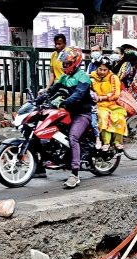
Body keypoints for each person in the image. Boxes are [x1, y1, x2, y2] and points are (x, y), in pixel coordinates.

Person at [39, 47, 94, 188]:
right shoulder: (64, 77)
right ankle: (40, 166)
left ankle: (75, 174)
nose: (64, 66)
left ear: (75, 63)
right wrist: (39, 99)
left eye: (67, 63)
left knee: (73, 137)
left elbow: (77, 95)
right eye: (63, 63)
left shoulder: (83, 77)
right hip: (68, 112)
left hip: (83, 114)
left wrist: (64, 102)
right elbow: (52, 90)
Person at [90, 56, 128, 152]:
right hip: (98, 105)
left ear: (108, 70)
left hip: (112, 105)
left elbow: (115, 94)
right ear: (97, 68)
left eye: (105, 70)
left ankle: (117, 142)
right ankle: (106, 142)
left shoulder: (113, 78)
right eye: (100, 69)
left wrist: (102, 97)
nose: (102, 72)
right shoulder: (91, 78)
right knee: (104, 117)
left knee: (119, 118)